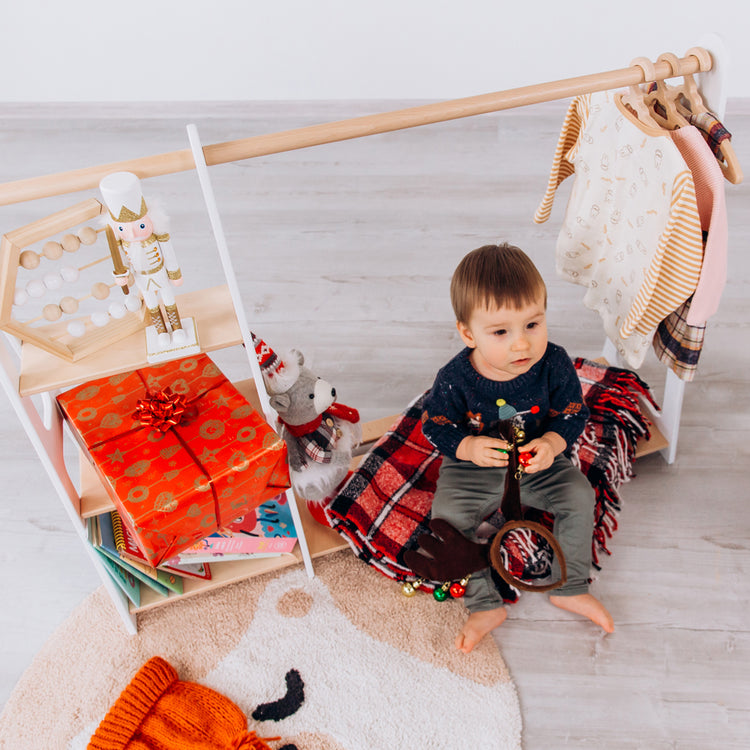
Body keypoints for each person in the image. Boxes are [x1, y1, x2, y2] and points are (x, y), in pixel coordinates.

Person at [421, 243, 614, 653]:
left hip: (537, 460)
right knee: (448, 520)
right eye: (501, 332)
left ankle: (572, 585)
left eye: (533, 325)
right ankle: (484, 604)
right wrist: (468, 446)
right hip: (473, 468)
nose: (521, 345)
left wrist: (552, 441)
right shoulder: (455, 378)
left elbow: (572, 412)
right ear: (468, 333)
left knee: (579, 494)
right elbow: (434, 426)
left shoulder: (554, 363)